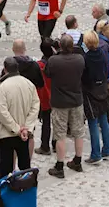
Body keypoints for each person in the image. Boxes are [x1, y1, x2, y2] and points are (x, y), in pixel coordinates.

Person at [44, 35, 85, 177]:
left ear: (60, 46)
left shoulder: (54, 61)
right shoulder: (80, 59)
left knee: (60, 133)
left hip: (60, 102)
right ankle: (78, 160)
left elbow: (48, 74)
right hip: (76, 100)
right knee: (78, 131)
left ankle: (60, 165)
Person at [0, 58, 38, 176]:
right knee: (25, 166)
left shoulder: (1, 87)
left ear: (5, 69)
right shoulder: (29, 84)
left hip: (7, 133)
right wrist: (26, 128)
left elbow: (1, 112)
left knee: (5, 168)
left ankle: (6, 193)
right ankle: (26, 191)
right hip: (24, 133)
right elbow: (35, 107)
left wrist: (16, 129)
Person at [80, 31, 109, 163]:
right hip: (102, 89)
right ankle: (107, 149)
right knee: (103, 120)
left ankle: (95, 153)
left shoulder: (86, 58)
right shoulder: (103, 54)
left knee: (92, 122)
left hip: (90, 92)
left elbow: (84, 76)